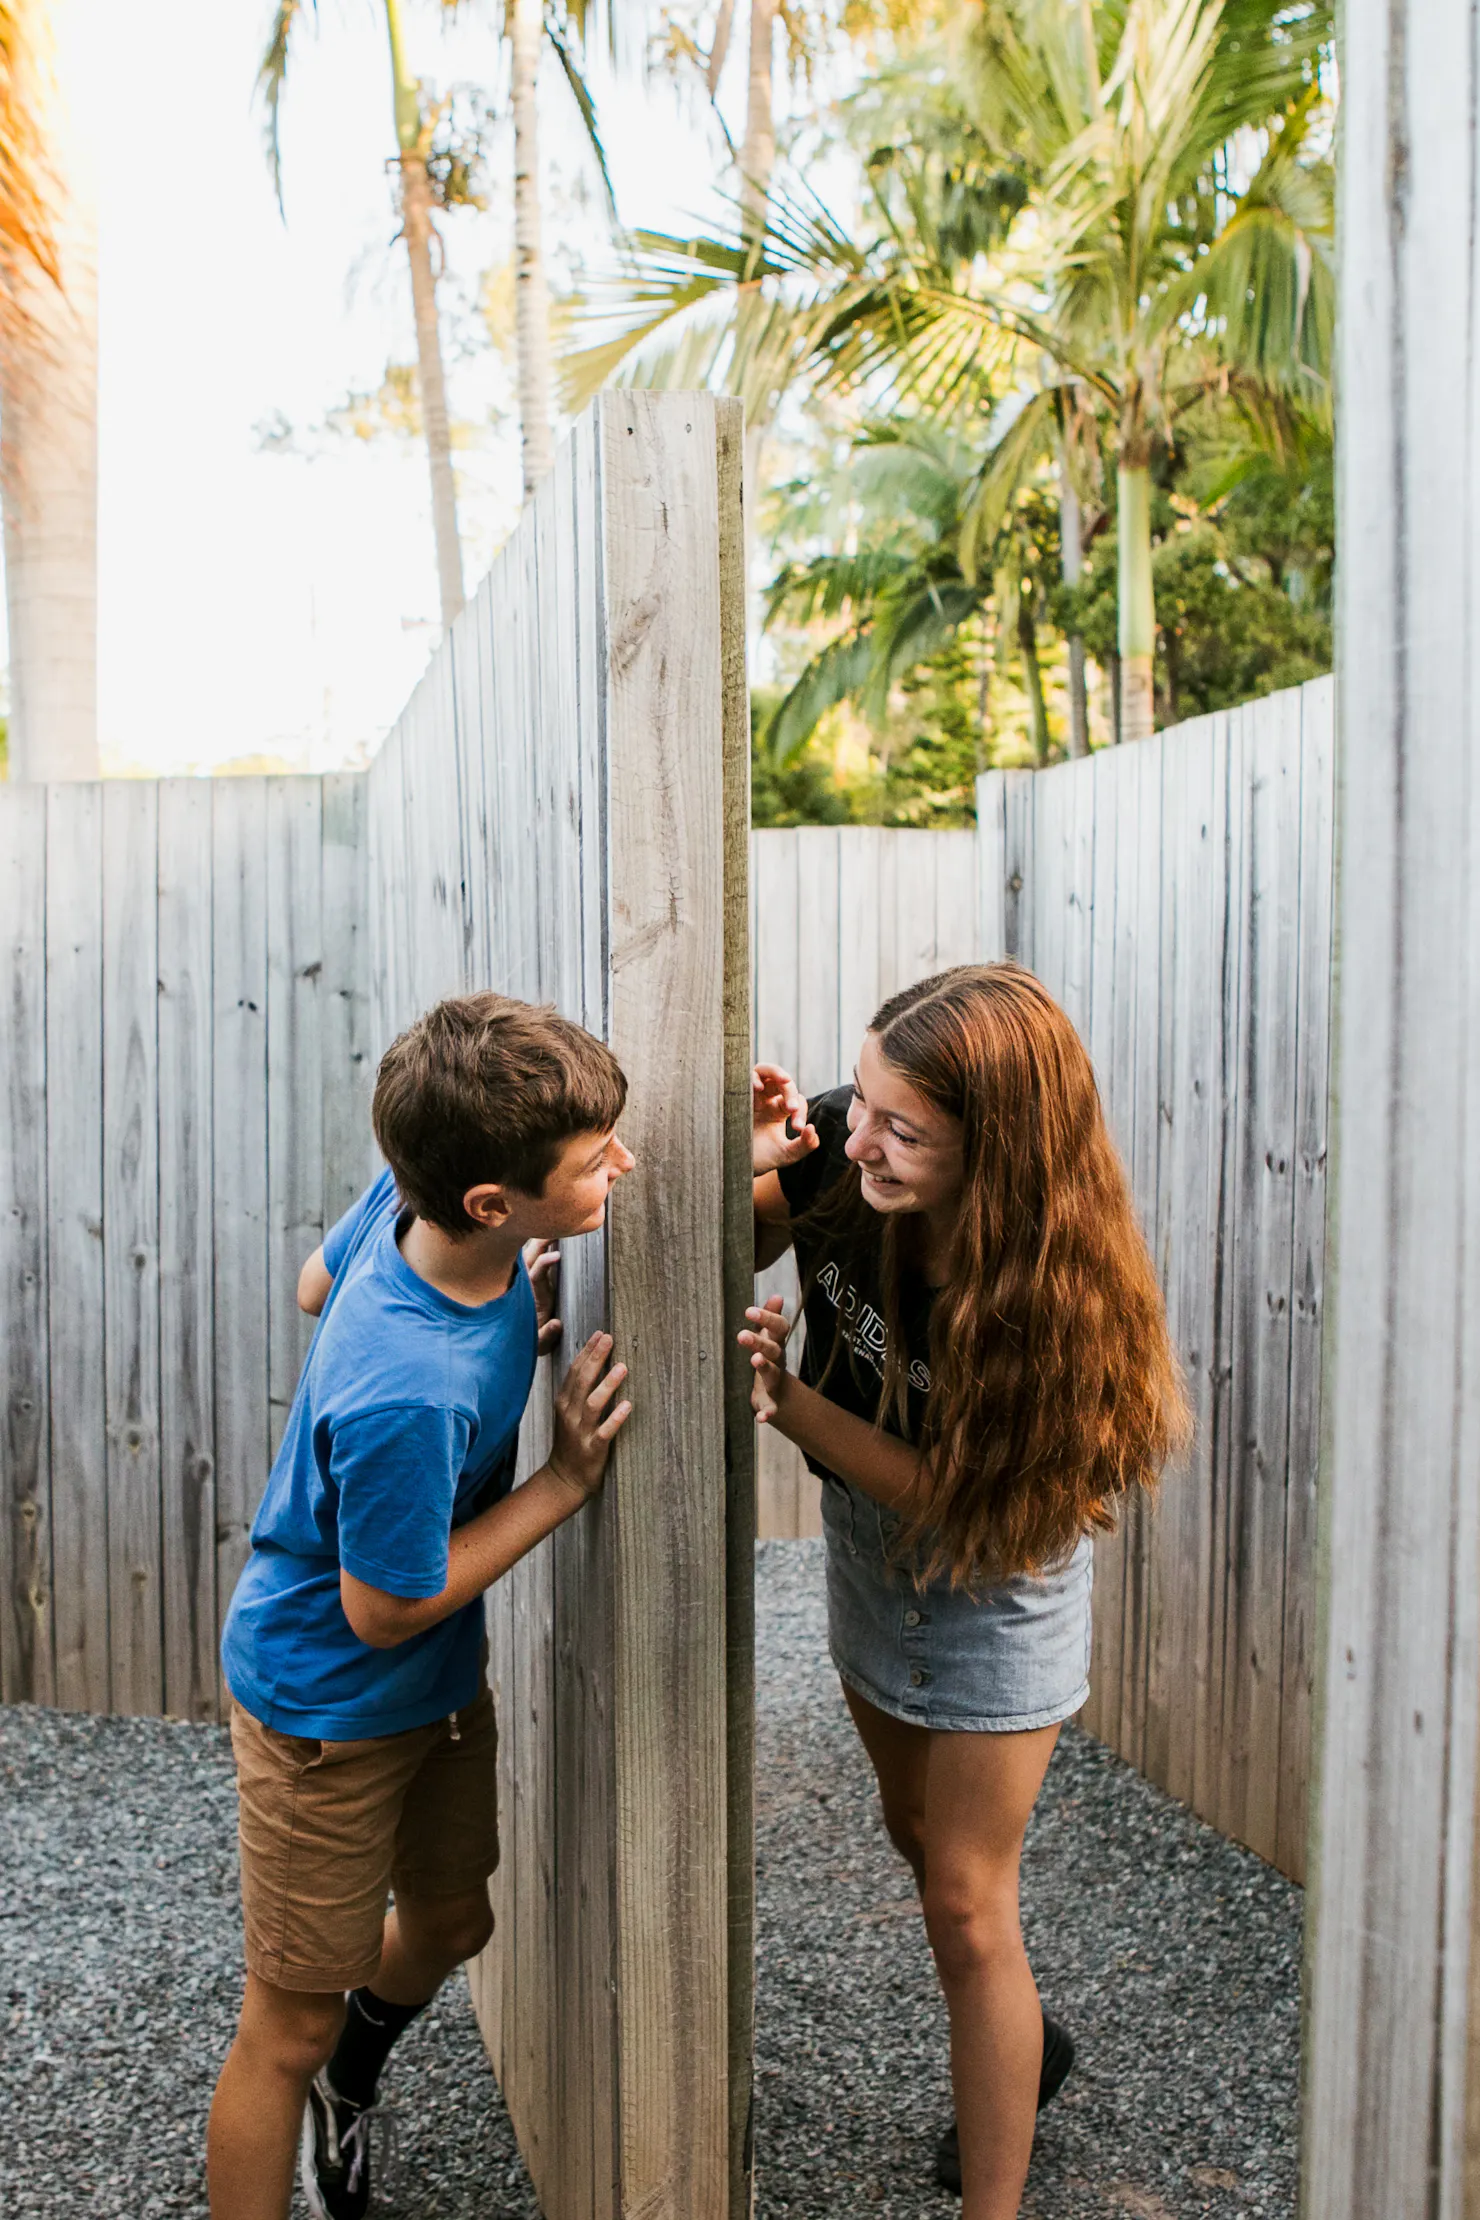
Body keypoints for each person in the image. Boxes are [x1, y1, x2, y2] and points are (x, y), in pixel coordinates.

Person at [741, 963, 1189, 2220]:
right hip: (863, 1540)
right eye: (861, 1097)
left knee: (965, 1902)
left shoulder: (1055, 1306)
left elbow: (967, 1507)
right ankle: (1028, 2048)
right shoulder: (847, 1144)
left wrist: (793, 1406)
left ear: (995, 1150)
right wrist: (761, 1158)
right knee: (913, 1830)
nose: (858, 1136)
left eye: (901, 1127)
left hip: (998, 1582)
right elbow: (757, 1232)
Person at [208, 993, 635, 2220]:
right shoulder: (411, 1389)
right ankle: (306, 2099)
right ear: (493, 1203)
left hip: (430, 1687)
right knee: (282, 2029)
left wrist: (517, 1299)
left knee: (450, 1920)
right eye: (593, 1159)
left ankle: (355, 2082)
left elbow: (310, 1285)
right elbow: (384, 1609)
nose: (620, 1163)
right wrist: (560, 1481)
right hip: (328, 1711)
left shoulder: (416, 1202)